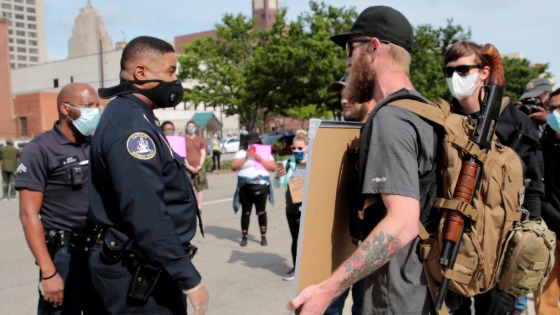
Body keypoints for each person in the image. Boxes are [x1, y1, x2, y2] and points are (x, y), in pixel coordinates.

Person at [288, 6, 440, 314]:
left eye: (350, 48)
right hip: (427, 287)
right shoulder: (427, 111)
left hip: (396, 298)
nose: (346, 59)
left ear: (374, 47)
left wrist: (327, 289)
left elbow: (403, 222)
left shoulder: (390, 118)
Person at [88, 36, 209, 314]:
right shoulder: (132, 127)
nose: (175, 80)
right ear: (141, 73)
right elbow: (146, 210)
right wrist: (189, 278)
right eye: (170, 72)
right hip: (134, 268)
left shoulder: (137, 115)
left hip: (144, 262)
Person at [443, 40, 544, 315]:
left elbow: (533, 185)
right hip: (455, 240)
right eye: (448, 71)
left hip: (502, 243)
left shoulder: (515, 121)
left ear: (484, 72)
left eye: (463, 70)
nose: (455, 78)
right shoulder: (444, 120)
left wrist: (529, 236)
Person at [15, 83, 104, 314]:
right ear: (65, 108)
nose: (95, 111)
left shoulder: (94, 144)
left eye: (97, 106)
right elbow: (28, 215)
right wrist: (48, 272)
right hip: (64, 257)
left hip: (99, 252)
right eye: (88, 106)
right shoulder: (40, 149)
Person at [534, 87, 560, 315]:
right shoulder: (545, 143)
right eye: (550, 108)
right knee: (544, 299)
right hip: (550, 233)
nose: (553, 114)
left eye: (558, 109)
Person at [274, 135, 309, 280]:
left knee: (307, 240)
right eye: (294, 148)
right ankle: (296, 269)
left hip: (308, 210)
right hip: (292, 209)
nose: (296, 151)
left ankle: (310, 268)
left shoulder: (313, 164)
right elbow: (278, 185)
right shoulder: (288, 163)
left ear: (307, 148)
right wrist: (277, 176)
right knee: (295, 239)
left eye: (300, 148)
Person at [231, 136, 276, 247]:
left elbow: (273, 167)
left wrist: (260, 159)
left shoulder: (264, 152)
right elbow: (233, 166)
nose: (252, 146)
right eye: (250, 143)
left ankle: (263, 236)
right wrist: (246, 157)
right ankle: (244, 236)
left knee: (261, 212)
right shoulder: (241, 153)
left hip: (262, 186)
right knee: (246, 212)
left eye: (255, 143)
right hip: (245, 187)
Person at [185, 121, 208, 211]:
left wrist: (199, 165)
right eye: (189, 126)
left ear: (195, 128)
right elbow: (182, 155)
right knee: (187, 189)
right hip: (187, 168)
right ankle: (189, 207)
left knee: (200, 189)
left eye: (192, 126)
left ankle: (199, 207)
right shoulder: (183, 139)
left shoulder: (200, 139)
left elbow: (203, 153)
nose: (191, 128)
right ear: (186, 128)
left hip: (199, 168)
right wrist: (188, 166)